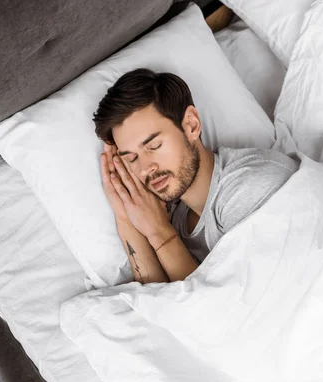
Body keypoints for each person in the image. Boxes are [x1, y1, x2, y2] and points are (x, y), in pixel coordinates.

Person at [92, 68, 298, 284]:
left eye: (154, 145)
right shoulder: (175, 218)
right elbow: (158, 301)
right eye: (132, 158)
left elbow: (219, 311)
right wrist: (125, 214)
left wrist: (159, 232)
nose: (145, 168)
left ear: (191, 125)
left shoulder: (251, 185)